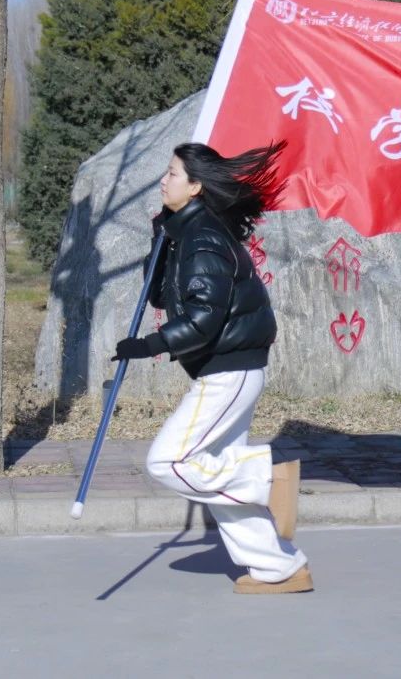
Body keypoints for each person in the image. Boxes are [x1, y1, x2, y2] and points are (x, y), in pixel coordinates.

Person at [112, 141, 311, 595]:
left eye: (173, 174)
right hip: (225, 369)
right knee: (214, 477)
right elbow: (159, 295)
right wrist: (160, 239)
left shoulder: (203, 238)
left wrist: (150, 345)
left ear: (196, 186)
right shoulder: (188, 233)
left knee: (168, 462)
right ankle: (278, 566)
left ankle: (266, 477)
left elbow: (205, 319)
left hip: (228, 370)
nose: (163, 181)